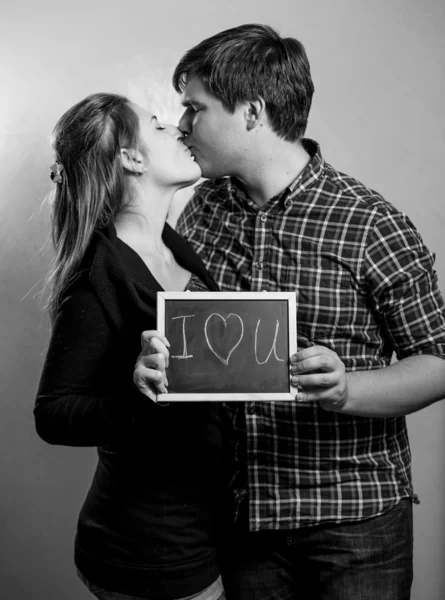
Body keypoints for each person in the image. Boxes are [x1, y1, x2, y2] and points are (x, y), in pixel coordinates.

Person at [138, 23, 445, 600]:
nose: (182, 126)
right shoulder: (202, 209)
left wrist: (345, 388)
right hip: (241, 517)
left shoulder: (370, 222)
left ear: (252, 113)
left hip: (352, 522)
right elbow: (191, 332)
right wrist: (159, 353)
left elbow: (439, 361)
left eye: (194, 109)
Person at [34, 92, 227, 600]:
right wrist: (136, 394)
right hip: (150, 552)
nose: (179, 131)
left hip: (204, 535)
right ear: (132, 158)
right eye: (161, 129)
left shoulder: (176, 246)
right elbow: (52, 414)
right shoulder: (96, 276)